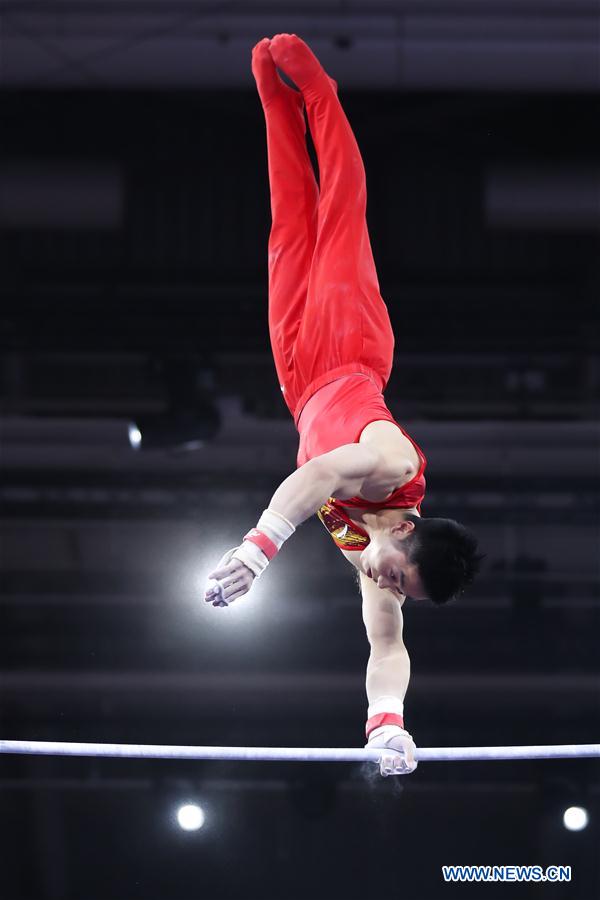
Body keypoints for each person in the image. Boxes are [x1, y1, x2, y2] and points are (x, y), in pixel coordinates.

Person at [204, 34, 484, 776]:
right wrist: (259, 550)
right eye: (400, 574)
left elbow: (387, 647)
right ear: (412, 530)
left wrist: (387, 727)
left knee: (288, 222)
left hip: (299, 380)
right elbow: (321, 475)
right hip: (350, 344)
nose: (388, 583)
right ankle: (317, 90)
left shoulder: (374, 561)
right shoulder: (394, 468)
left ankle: (268, 90)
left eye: (400, 589)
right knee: (340, 208)